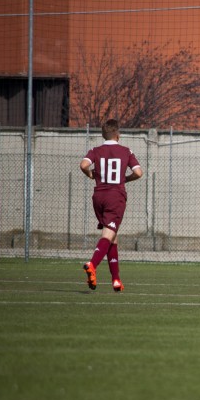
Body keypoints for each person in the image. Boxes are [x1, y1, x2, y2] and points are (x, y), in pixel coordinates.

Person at [79, 118, 143, 292]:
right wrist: (125, 179)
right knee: (108, 234)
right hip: (116, 197)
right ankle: (92, 264)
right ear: (118, 134)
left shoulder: (96, 150)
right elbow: (138, 172)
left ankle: (116, 280)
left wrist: (91, 175)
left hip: (98, 196)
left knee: (113, 237)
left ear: (103, 134)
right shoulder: (125, 151)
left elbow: (83, 165)